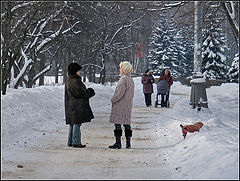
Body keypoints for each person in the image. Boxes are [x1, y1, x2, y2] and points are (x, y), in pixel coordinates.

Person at [65, 62, 95, 148]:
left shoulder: (70, 80)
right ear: (74, 71)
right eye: (78, 70)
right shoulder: (74, 81)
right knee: (76, 123)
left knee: (73, 123)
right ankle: (76, 142)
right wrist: (90, 92)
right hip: (76, 106)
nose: (80, 72)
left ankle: (70, 141)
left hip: (72, 105)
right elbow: (81, 93)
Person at [109, 61, 134, 149]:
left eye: (120, 68)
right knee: (127, 123)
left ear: (124, 69)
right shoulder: (130, 79)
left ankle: (118, 143)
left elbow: (119, 93)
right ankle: (128, 143)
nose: (119, 70)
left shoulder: (123, 79)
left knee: (118, 123)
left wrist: (113, 100)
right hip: (127, 104)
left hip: (120, 104)